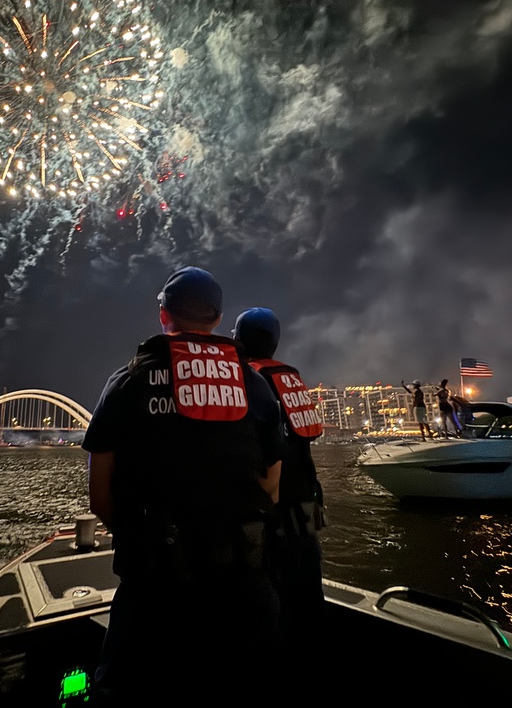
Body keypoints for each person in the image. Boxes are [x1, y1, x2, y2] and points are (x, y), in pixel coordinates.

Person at [83, 267, 287, 706]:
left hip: (154, 594)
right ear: (216, 320)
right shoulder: (252, 384)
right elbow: (271, 486)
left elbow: (99, 496)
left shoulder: (128, 381)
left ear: (163, 315)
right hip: (242, 589)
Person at [232, 307, 325, 698]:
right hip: (306, 502)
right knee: (308, 592)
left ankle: (272, 686)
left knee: (269, 595)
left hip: (271, 505)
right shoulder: (291, 376)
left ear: (238, 340)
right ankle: (313, 674)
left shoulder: (247, 381)